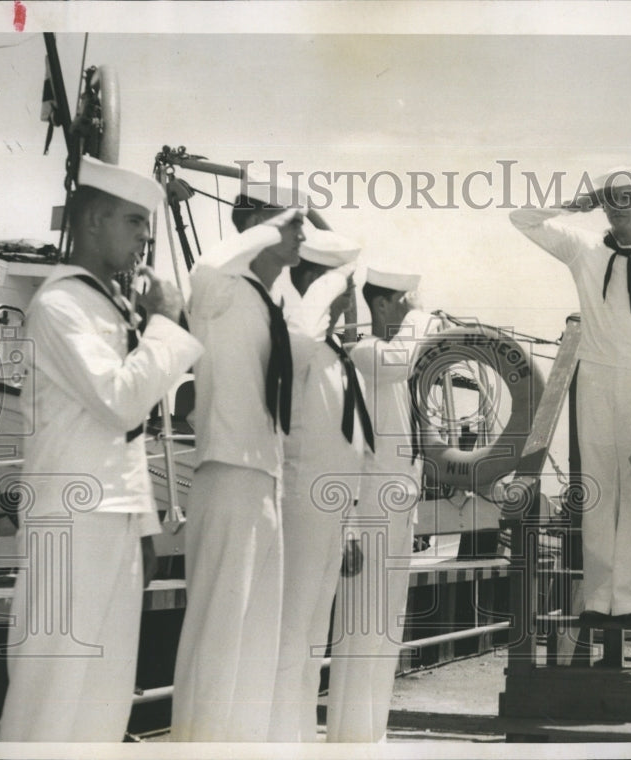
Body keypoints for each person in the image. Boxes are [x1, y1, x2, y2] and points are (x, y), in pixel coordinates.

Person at [0, 157, 203, 741]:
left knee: (105, 696)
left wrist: (143, 525)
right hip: (70, 521)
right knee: (51, 691)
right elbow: (121, 401)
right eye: (135, 221)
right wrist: (165, 323)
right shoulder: (60, 305)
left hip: (111, 523)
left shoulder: (104, 306)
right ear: (93, 221)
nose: (145, 236)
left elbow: (127, 439)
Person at [170, 177, 347, 742]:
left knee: (255, 645)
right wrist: (279, 221)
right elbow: (208, 264)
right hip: (227, 474)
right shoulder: (221, 288)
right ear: (253, 228)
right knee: (219, 639)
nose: (298, 232)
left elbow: (303, 342)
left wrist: (332, 277)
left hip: (265, 482)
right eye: (284, 223)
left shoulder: (269, 304)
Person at [509, 167, 631, 628]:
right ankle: (597, 598)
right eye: (609, 200)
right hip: (594, 377)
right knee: (596, 486)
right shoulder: (585, 249)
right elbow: (522, 219)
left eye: (626, 197)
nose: (618, 207)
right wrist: (577, 204)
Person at [326, 267, 440, 743]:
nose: (409, 307)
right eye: (402, 300)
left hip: (396, 513)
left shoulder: (393, 364)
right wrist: (422, 316)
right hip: (370, 512)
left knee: (386, 629)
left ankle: (371, 735)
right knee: (360, 629)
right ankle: (348, 739)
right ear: (380, 306)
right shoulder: (367, 354)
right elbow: (399, 358)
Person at [269, 227, 368, 742]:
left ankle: (301, 742)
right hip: (299, 503)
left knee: (312, 638)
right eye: (342, 291)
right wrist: (325, 292)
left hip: (331, 513)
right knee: (290, 636)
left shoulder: (332, 353)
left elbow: (348, 446)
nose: (349, 304)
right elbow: (299, 342)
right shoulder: (294, 336)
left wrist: (349, 522)